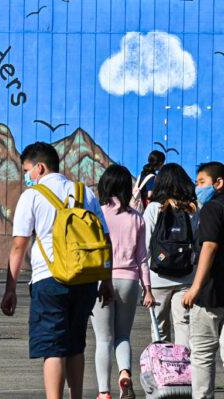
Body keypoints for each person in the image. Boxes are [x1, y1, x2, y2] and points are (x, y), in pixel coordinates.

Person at [0, 142, 113, 399]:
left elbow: (19, 245)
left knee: (53, 348)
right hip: (85, 278)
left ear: (39, 167)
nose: (27, 176)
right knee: (75, 346)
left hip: (48, 280)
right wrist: (106, 281)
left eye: (27, 170)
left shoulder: (32, 196)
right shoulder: (85, 193)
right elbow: (105, 240)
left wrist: (10, 288)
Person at [92, 164, 155, 399]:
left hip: (101, 280)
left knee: (103, 339)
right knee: (122, 335)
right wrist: (147, 289)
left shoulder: (97, 215)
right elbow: (142, 258)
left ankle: (104, 392)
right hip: (130, 280)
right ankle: (124, 373)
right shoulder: (136, 218)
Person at [182, 162, 224, 399]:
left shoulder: (211, 208)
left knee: (202, 355)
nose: (197, 188)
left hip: (211, 293)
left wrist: (195, 288)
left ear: (218, 183)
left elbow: (209, 245)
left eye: (201, 183)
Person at [144, 163, 197, 346]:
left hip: (158, 277)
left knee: (159, 326)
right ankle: (184, 368)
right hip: (186, 278)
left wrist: (145, 284)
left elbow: (145, 246)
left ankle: (164, 369)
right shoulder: (192, 209)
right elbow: (197, 244)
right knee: (184, 324)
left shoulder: (154, 208)